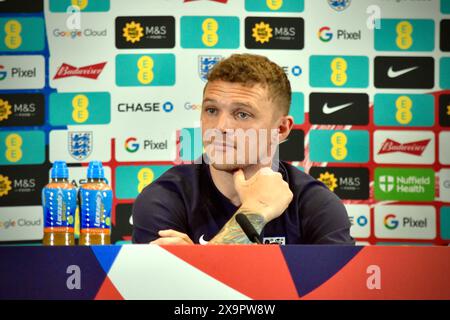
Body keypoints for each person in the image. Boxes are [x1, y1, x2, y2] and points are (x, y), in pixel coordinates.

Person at [132, 53, 354, 245]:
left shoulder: (316, 205)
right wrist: (255, 211)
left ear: (282, 128)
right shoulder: (164, 199)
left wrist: (192, 262)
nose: (220, 127)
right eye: (211, 110)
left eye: (242, 114)